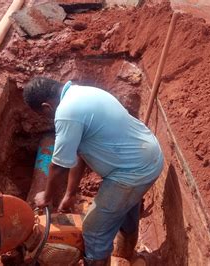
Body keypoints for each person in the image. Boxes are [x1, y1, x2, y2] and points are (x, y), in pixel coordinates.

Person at [23, 77, 164, 265]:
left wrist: (47, 196)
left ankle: (101, 260)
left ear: (46, 107)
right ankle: (126, 255)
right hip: (147, 156)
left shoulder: (66, 113)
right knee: (126, 209)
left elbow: (58, 166)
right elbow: (79, 154)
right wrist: (70, 193)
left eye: (44, 115)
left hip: (133, 172)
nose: (49, 119)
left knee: (93, 230)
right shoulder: (83, 92)